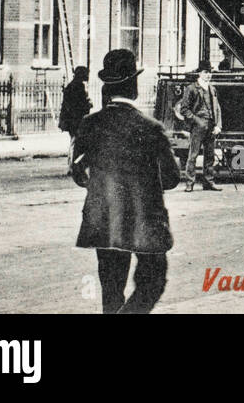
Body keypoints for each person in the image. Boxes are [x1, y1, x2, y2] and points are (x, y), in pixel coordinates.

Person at [72, 49, 182, 314]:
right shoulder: (151, 128)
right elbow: (171, 178)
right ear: (133, 86)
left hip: (103, 218)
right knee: (153, 281)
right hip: (144, 219)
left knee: (111, 290)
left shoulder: (90, 124)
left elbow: (78, 172)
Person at [176, 61, 223, 192]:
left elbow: (217, 108)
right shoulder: (191, 89)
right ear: (200, 73)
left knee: (210, 156)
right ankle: (190, 183)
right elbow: (184, 109)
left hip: (211, 126)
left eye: (210, 72)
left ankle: (208, 182)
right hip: (197, 127)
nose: (208, 75)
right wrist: (197, 121)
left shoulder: (212, 89)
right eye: (206, 72)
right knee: (193, 155)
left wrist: (218, 125)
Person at [58, 65, 92, 173]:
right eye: (86, 74)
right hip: (76, 120)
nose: (88, 76)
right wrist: (89, 104)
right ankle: (72, 167)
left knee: (73, 142)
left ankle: (71, 166)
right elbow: (80, 105)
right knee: (75, 143)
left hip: (69, 120)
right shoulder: (79, 87)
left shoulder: (71, 86)